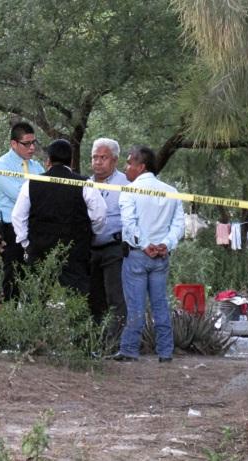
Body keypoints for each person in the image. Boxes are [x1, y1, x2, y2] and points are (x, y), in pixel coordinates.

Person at [111, 146, 184, 362]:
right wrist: (165, 244)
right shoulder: (172, 191)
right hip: (161, 256)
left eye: (129, 163)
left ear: (140, 166)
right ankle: (165, 351)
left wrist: (144, 245)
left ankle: (129, 349)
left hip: (137, 255)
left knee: (135, 305)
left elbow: (129, 223)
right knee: (160, 303)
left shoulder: (129, 191)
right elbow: (178, 225)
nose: (126, 168)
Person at [12, 139, 106, 294]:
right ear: (71, 161)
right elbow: (100, 215)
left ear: (48, 160)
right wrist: (91, 235)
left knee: (36, 300)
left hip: (39, 251)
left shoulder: (31, 183)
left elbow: (17, 216)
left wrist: (26, 243)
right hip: (75, 252)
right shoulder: (85, 183)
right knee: (76, 300)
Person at [0, 122, 44, 301]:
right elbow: (20, 196)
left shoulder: (36, 167)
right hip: (9, 228)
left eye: (34, 142)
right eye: (26, 143)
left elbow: (46, 195)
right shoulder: (1, 166)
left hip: (34, 227)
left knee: (37, 274)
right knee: (12, 275)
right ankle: (8, 321)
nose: (32, 148)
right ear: (14, 144)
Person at [88, 137, 129, 346]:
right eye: (94, 157)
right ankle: (95, 341)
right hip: (91, 249)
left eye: (102, 157)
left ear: (114, 160)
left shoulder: (126, 184)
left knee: (115, 297)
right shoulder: (86, 183)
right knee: (94, 297)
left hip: (114, 248)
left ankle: (113, 343)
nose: (97, 162)